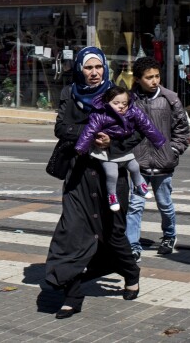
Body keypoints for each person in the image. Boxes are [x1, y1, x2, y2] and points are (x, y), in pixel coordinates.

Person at [44, 47, 142, 320]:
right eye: (88, 68)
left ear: (105, 69)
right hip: (78, 176)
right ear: (79, 69)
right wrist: (92, 132)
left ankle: (131, 272)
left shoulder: (118, 95)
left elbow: (136, 133)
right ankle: (72, 296)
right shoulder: (69, 93)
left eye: (98, 67)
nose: (94, 73)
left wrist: (112, 140)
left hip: (111, 176)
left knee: (112, 233)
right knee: (72, 231)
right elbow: (61, 128)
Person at [126, 56, 190, 260]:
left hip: (164, 165)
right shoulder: (129, 99)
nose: (154, 81)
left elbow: (182, 129)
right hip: (138, 165)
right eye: (149, 77)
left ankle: (169, 236)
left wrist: (173, 150)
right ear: (137, 79)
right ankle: (133, 245)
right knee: (135, 205)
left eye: (157, 76)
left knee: (165, 204)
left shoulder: (170, 98)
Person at [74, 85, 166, 212]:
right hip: (105, 151)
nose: (121, 106)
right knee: (112, 173)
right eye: (116, 103)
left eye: (124, 103)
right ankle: (112, 196)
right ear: (107, 103)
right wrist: (81, 147)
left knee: (134, 167)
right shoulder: (100, 114)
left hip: (122, 147)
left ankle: (140, 186)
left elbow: (146, 125)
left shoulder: (133, 111)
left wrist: (158, 140)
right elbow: (89, 131)